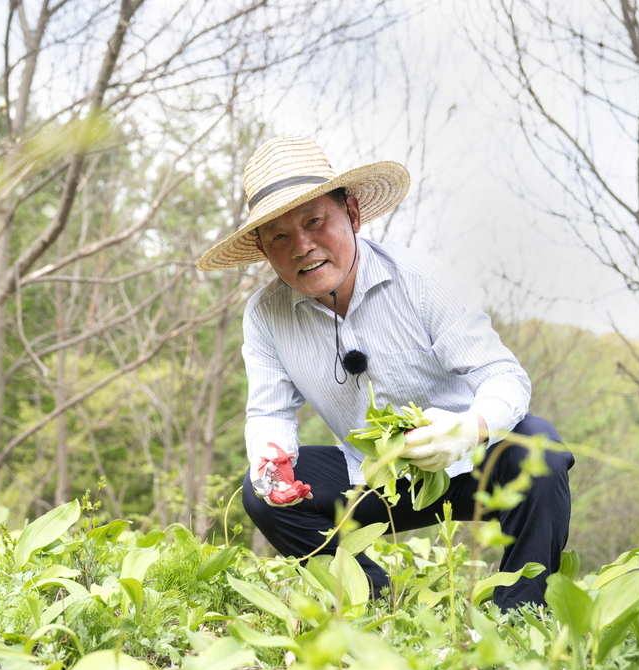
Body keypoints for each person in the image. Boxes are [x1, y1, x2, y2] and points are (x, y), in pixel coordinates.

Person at [196, 135, 572, 610]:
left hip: (467, 460)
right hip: (371, 474)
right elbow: (269, 411)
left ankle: (521, 609)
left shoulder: (422, 279)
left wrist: (467, 429)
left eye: (315, 222)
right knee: (259, 491)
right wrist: (273, 462)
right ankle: (378, 599)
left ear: (352, 214)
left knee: (542, 448)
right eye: (280, 237)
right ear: (264, 250)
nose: (302, 247)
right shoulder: (267, 314)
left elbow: (505, 376)